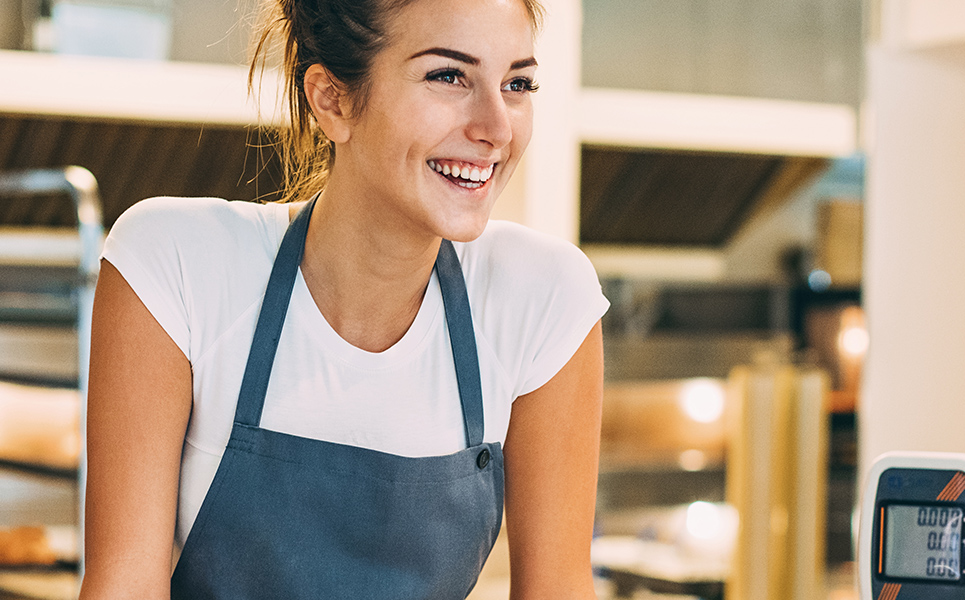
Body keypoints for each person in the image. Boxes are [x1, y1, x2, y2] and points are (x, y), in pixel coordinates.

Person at [78, 0, 610, 597]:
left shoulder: (543, 298)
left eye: (517, 83)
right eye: (448, 75)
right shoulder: (175, 265)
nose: (497, 127)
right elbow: (123, 586)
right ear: (331, 99)